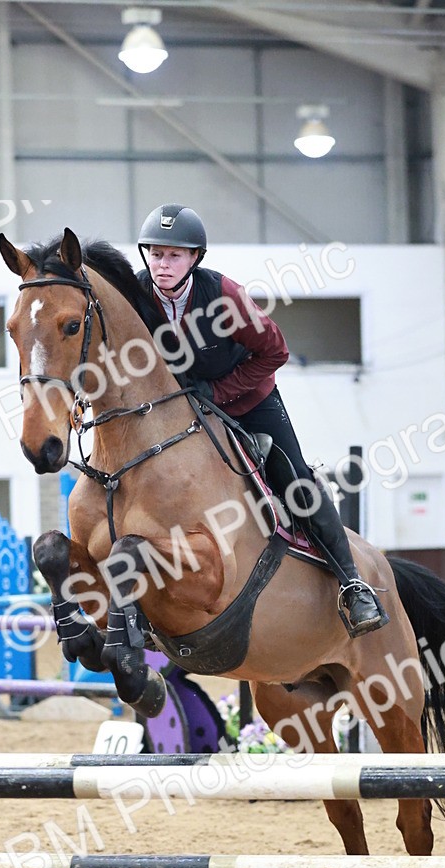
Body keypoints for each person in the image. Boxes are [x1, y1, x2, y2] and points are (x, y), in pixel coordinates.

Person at [135, 203, 387, 638]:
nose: (163, 264)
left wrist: (218, 392)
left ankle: (352, 583)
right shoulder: (136, 296)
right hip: (184, 408)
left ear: (195, 257)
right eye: (156, 254)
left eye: (174, 255)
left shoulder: (224, 295)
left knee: (294, 478)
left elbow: (275, 353)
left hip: (248, 399)